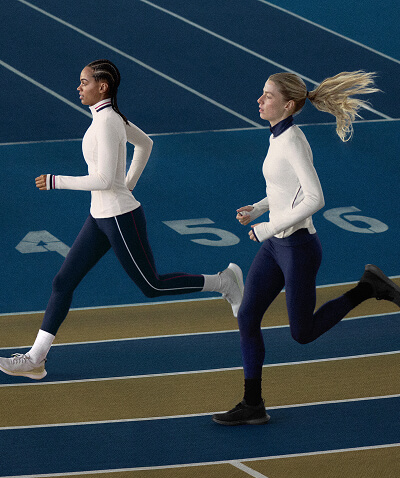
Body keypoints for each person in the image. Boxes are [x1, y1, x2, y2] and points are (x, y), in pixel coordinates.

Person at [0, 59, 244, 381]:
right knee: (63, 282)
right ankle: (35, 359)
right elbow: (145, 144)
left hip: (119, 217)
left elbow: (103, 179)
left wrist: (57, 181)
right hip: (99, 217)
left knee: (152, 285)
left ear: (102, 86)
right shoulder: (106, 118)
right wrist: (127, 183)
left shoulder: (107, 122)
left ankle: (223, 281)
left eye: (84, 82)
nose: (78, 87)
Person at [212, 71, 400, 426]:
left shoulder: (293, 142)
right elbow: (286, 190)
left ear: (288, 105)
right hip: (276, 246)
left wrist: (268, 227)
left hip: (298, 248)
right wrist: (259, 209)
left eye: (268, 96)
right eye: (262, 93)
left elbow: (315, 198)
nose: (259, 100)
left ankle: (367, 288)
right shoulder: (277, 136)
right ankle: (253, 403)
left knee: (303, 333)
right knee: (248, 316)